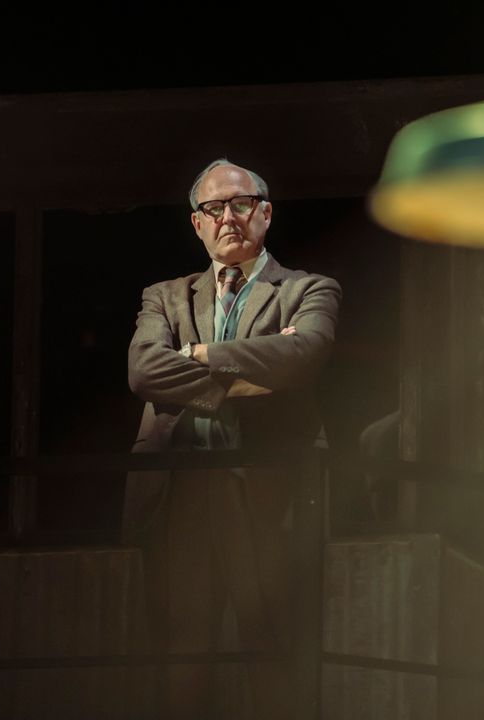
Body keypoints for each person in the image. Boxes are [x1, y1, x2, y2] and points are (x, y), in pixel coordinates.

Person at [123, 159, 341, 718]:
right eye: (213, 209)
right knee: (180, 657)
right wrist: (232, 386)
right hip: (180, 495)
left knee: (274, 651)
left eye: (240, 204)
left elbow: (303, 356)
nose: (228, 218)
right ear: (196, 224)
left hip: (271, 491)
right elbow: (145, 373)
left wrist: (193, 357)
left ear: (264, 213)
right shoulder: (164, 296)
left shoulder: (307, 289)